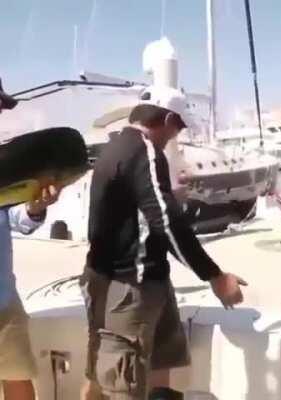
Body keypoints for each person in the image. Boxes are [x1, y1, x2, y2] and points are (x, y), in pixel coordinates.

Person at [80, 85, 247, 400]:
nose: (176, 135)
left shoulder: (115, 148)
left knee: (124, 372)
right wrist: (215, 276)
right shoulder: (143, 151)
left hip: (129, 279)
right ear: (169, 118)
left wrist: (169, 198)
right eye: (179, 126)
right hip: (131, 287)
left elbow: (138, 210)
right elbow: (166, 222)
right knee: (121, 385)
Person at [0, 81, 61, 400]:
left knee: (20, 382)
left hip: (4, 301)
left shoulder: (4, 164)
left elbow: (14, 219)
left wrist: (35, 209)